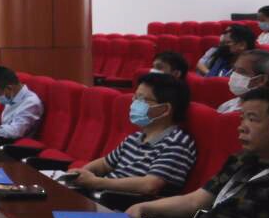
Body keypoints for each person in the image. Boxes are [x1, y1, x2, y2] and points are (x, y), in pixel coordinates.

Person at [126, 87, 269, 218]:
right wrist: (143, 207)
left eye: (252, 119)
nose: (241, 127)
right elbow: (194, 201)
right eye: (242, 118)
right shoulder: (240, 159)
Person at [65, 73, 196, 197]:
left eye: (141, 99)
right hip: (101, 195)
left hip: (122, 204)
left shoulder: (177, 143)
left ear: (165, 109)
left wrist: (96, 182)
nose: (134, 103)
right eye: (135, 97)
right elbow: (105, 164)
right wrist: (81, 173)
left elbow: (150, 185)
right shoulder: (135, 137)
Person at [0, 66, 43, 141]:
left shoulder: (31, 103)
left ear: (9, 88)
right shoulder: (12, 97)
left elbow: (15, 131)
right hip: (2, 138)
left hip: (16, 145)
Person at [217, 49, 269, 114]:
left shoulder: (264, 115)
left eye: (242, 72)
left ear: (261, 80)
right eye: (234, 69)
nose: (234, 75)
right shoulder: (229, 104)